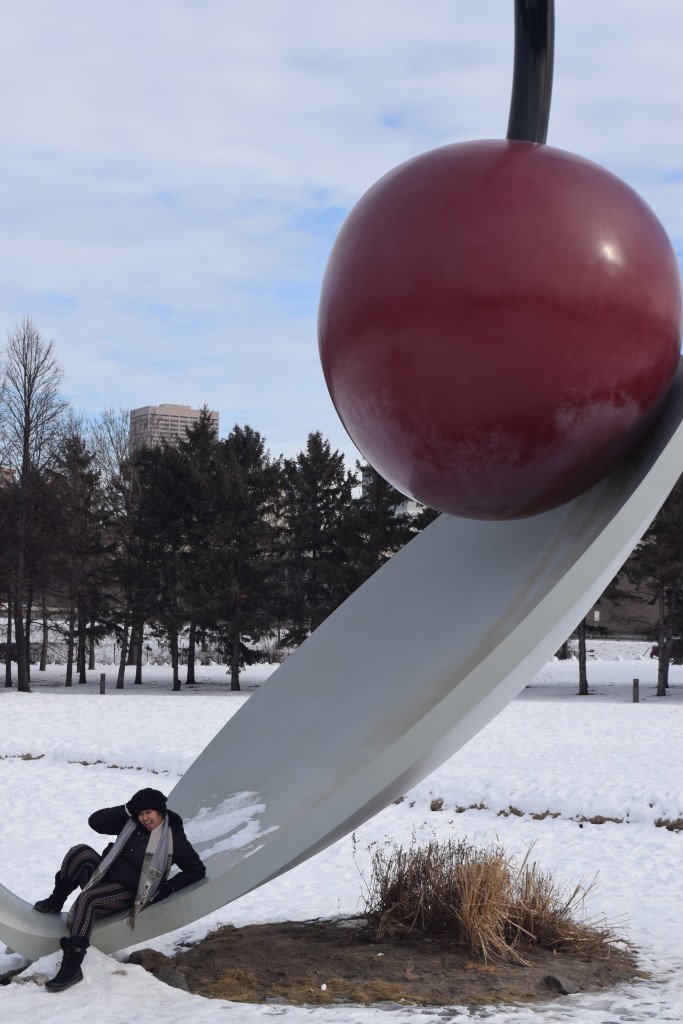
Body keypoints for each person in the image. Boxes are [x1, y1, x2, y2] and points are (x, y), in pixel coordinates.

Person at [33, 787, 206, 993]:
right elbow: (95, 822)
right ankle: (56, 900)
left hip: (127, 892)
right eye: (140, 813)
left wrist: (169, 887)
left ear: (160, 812)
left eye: (149, 813)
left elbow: (196, 870)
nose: (144, 818)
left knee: (88, 899)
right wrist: (127, 810)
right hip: (101, 877)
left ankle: (72, 967)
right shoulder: (130, 823)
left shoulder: (173, 837)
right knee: (79, 852)